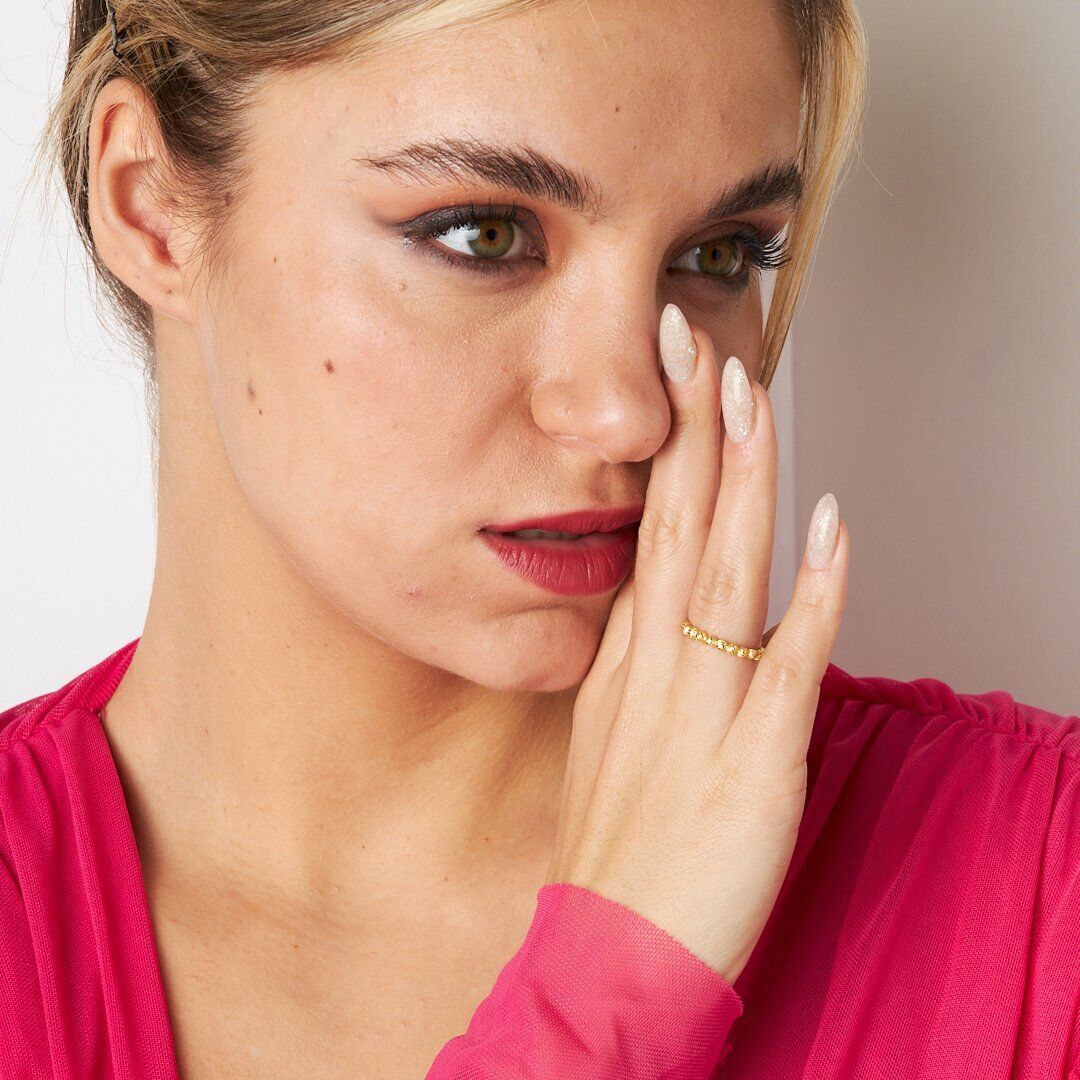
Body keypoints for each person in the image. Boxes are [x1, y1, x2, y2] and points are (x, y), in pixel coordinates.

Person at [2, 0, 1076, 1076]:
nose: (627, 413)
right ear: (149, 206)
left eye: (719, 254)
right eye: (485, 233)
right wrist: (609, 996)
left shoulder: (1039, 895)